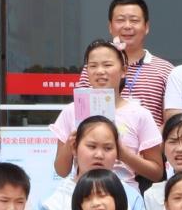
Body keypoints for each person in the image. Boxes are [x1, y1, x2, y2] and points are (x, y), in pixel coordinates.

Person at [52, 40, 164, 184]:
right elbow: (61, 171)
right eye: (93, 66)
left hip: (124, 192)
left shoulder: (140, 114)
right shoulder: (71, 111)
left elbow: (157, 173)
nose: (100, 71)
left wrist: (124, 155)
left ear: (124, 70)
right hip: (82, 190)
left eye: (107, 65)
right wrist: (69, 145)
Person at [75, 0, 175, 126]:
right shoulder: (93, 69)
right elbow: (81, 114)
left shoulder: (166, 70)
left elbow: (170, 123)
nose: (127, 26)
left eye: (134, 20)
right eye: (120, 20)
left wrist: (148, 137)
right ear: (110, 26)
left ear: (146, 27)